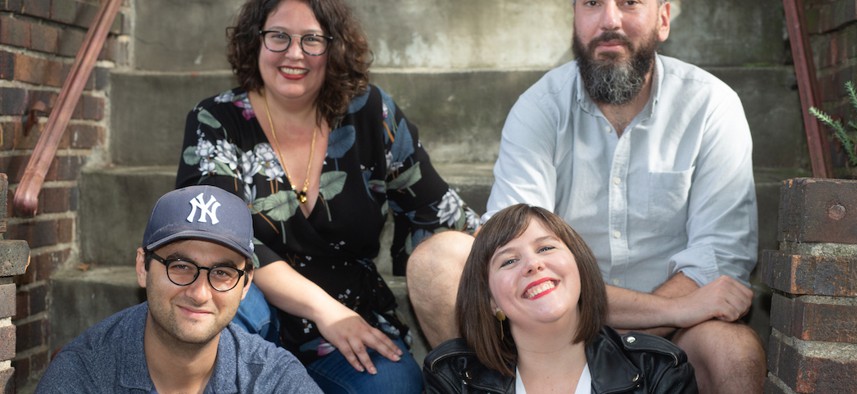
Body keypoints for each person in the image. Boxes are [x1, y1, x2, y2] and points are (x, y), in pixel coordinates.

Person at [408, 1, 765, 393]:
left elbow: (720, 262)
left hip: (672, 339)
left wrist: (666, 318)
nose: (609, 20)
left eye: (629, 2)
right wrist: (673, 307)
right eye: (592, 3)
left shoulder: (711, 106)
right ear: (575, 19)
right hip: (546, 335)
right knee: (436, 263)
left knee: (735, 350)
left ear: (663, 18)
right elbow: (511, 244)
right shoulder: (538, 108)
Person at [175, 0, 479, 392]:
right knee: (224, 315)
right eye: (279, 36)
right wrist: (325, 310)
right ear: (255, 42)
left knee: (395, 386)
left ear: (333, 48)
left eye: (312, 40)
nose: (294, 53)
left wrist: (526, 246)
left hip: (349, 314)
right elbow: (214, 236)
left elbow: (437, 211)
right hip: (251, 309)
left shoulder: (371, 113)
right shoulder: (217, 120)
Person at [36, 186, 322, 393]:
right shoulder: (83, 376)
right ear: (142, 267)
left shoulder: (273, 379)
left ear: (245, 284)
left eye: (222, 273)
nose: (199, 294)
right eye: (181, 266)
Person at [423, 204, 697, 393]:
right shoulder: (453, 376)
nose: (533, 264)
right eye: (509, 261)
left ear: (579, 265)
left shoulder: (658, 369)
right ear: (491, 300)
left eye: (545, 247)